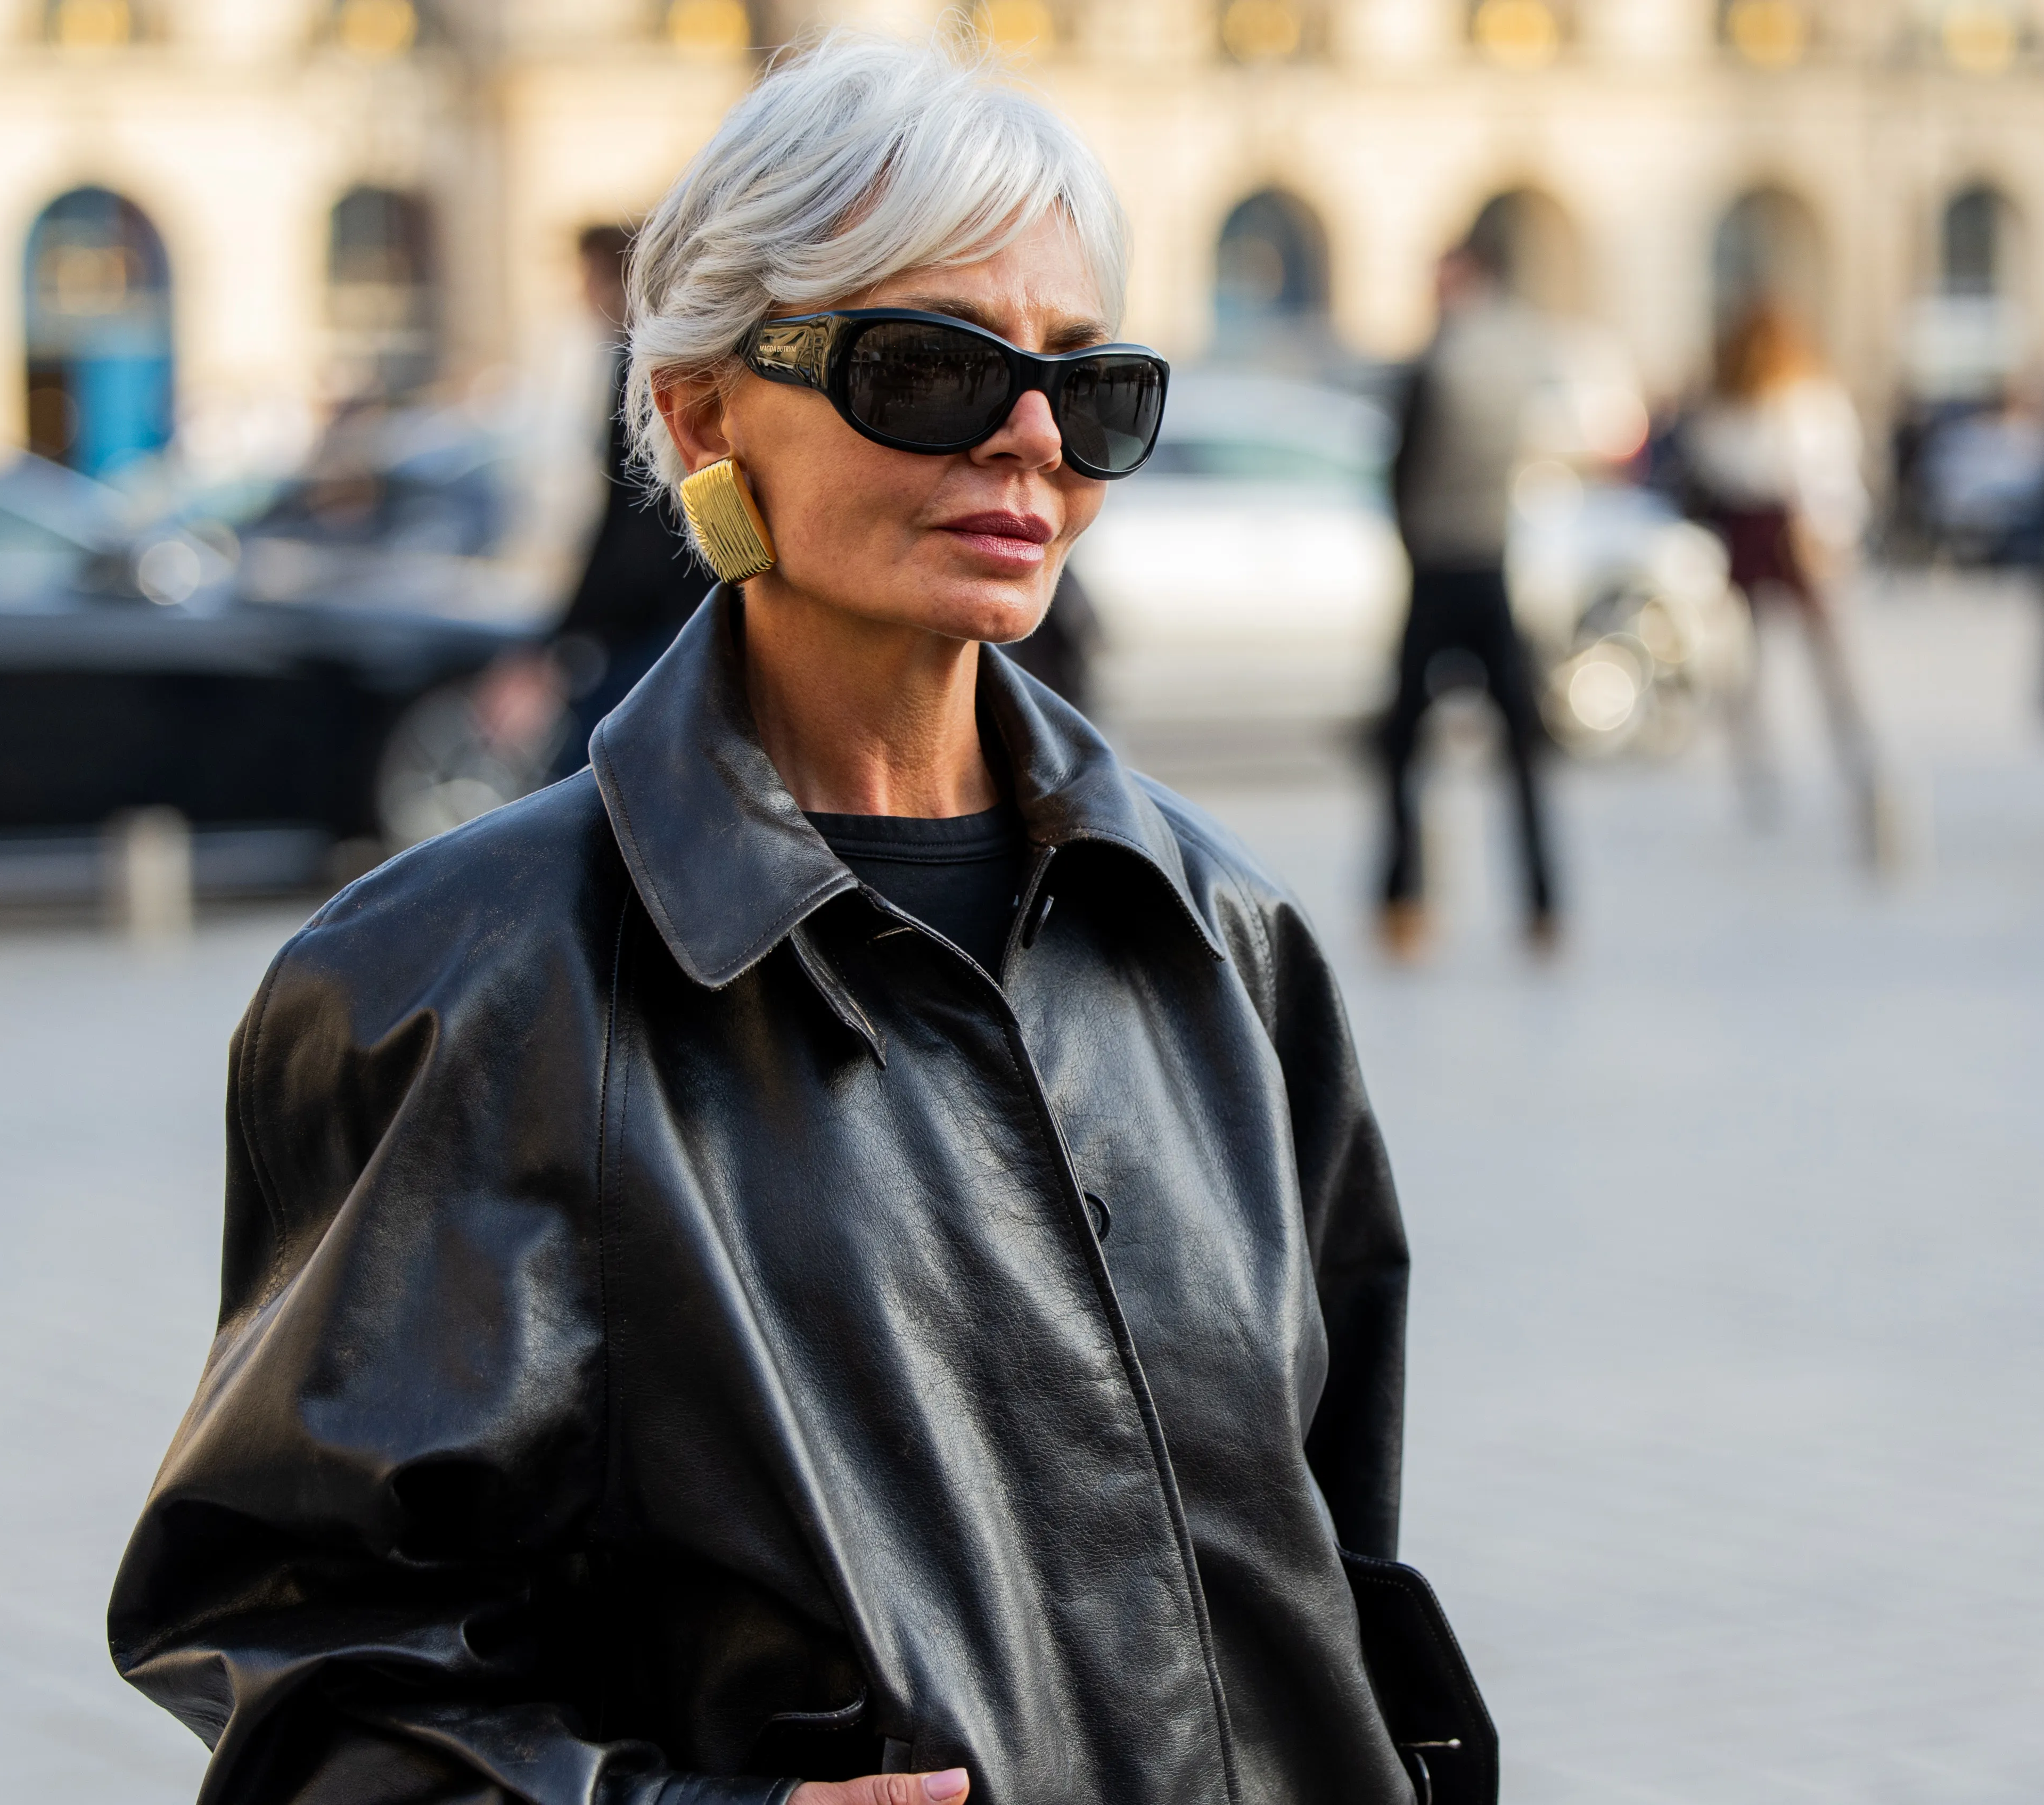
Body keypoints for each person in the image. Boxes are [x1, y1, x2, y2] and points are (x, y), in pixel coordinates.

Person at [108, 34, 1486, 1805]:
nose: (1030, 437)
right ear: (702, 411)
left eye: (1088, 383)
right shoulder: (465, 981)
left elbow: (1331, 1564)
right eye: (932, 366)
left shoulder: (1221, 939)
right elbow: (301, 1651)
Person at [1380, 242, 1560, 959]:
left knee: (1402, 745)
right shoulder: (1522, 355)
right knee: (1521, 748)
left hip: (1436, 566)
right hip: (1492, 561)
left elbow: (1401, 468)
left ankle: (1402, 899)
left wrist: (1411, 536)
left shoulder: (1435, 362)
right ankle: (1544, 904)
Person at [1679, 301, 1889, 860]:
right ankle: (1848, 758)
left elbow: (1717, 463)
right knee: (1813, 660)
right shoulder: (1801, 398)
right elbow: (1830, 470)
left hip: (1761, 528)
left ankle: (1766, 768)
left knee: (1758, 664)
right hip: (1788, 526)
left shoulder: (1738, 402)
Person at [540, 223, 717, 778]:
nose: (582, 296)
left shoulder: (640, 363)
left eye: (589, 278)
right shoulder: (669, 354)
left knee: (591, 774)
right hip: (686, 605)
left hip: (663, 615)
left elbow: (626, 511)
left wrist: (574, 627)